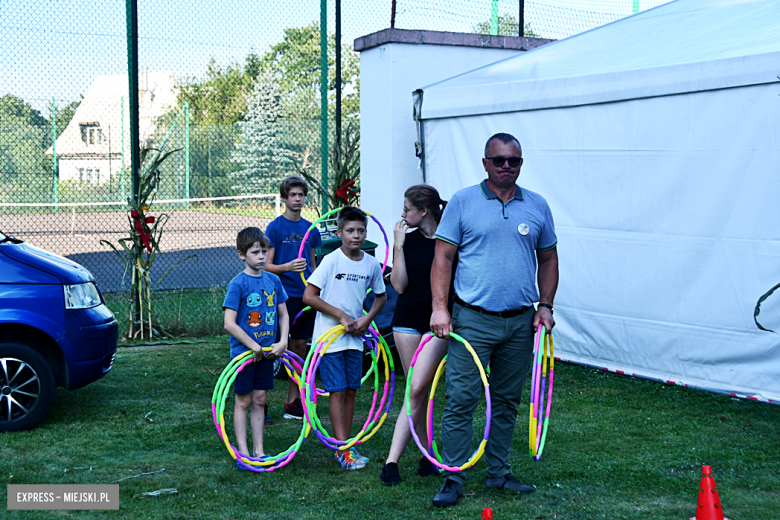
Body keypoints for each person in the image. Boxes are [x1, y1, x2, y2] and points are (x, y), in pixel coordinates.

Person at [429, 132, 559, 507]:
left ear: (521, 164)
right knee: (461, 399)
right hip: (473, 320)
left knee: (506, 400)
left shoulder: (537, 206)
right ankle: (453, 477)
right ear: (485, 162)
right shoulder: (463, 202)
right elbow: (443, 259)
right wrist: (441, 308)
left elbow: (549, 259)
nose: (506, 166)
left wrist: (545, 305)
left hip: (520, 322)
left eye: (513, 160)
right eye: (499, 159)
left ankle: (499, 473)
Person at [303, 206, 388, 470]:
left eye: (361, 231)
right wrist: (340, 315)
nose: (356, 236)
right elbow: (309, 296)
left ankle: (347, 444)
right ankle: (343, 449)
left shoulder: (371, 264)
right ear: (339, 233)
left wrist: (367, 319)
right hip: (330, 339)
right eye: (350, 231)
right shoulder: (331, 261)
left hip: (355, 338)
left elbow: (381, 296)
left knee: (351, 390)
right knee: (337, 391)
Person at [379, 185, 451, 485]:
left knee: (416, 389)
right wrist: (397, 247)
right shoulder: (406, 241)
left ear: (423, 211)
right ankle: (427, 456)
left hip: (439, 324)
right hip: (407, 321)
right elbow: (398, 286)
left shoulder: (451, 241)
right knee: (416, 391)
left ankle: (391, 462)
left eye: (407, 208)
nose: (402, 213)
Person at [222, 227, 289, 465]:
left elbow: (283, 314)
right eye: (256, 252)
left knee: (260, 399)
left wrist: (283, 340)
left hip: (267, 353)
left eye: (264, 252)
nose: (262, 256)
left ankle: (259, 451)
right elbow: (229, 324)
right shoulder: (237, 284)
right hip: (245, 354)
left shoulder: (274, 280)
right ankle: (243, 453)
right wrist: (252, 345)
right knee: (243, 400)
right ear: (242, 254)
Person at [264, 176, 323, 421]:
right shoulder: (275, 228)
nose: (298, 199)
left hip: (304, 294)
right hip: (280, 295)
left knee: (299, 346)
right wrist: (287, 266)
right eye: (293, 195)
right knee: (273, 347)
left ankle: (293, 402)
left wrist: (316, 286)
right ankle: (261, 401)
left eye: (301, 195)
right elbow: (266, 265)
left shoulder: (311, 229)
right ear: (284, 198)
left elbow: (312, 265)